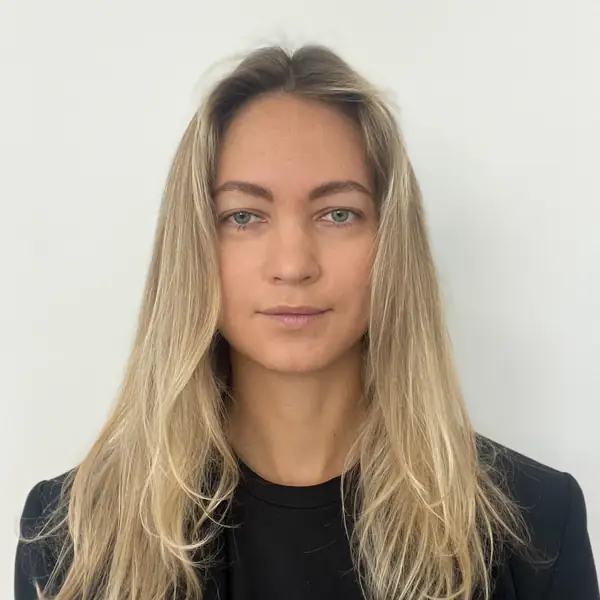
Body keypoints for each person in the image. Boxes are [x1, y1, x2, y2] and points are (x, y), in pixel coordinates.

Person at [14, 44, 598, 600]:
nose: (293, 265)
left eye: (338, 214)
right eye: (243, 216)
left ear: (391, 242)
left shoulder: (535, 526)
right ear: (193, 245)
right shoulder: (76, 534)